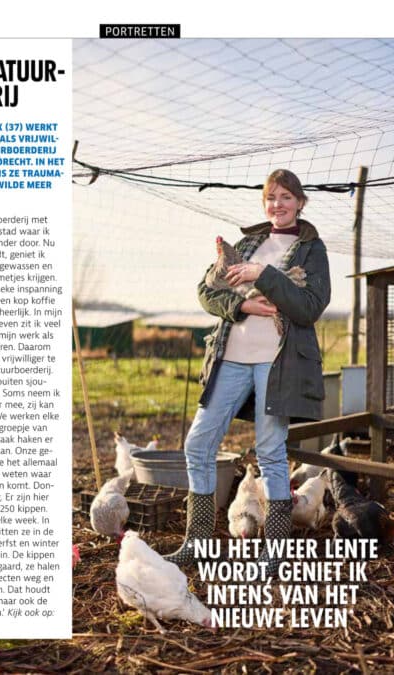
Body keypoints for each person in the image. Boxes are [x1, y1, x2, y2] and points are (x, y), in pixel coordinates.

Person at [165, 169, 331, 573]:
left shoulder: (313, 249)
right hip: (232, 358)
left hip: (277, 364)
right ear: (265, 203)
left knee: (272, 452)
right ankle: (197, 540)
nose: (278, 204)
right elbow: (207, 290)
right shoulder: (247, 242)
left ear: (300, 202)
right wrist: (243, 305)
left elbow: (310, 306)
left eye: (286, 196)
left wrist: (263, 276)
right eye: (272, 197)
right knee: (198, 444)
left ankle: (275, 550)